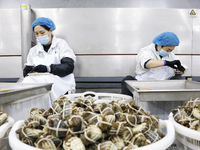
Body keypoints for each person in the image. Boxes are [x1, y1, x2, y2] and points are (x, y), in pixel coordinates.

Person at [22, 17, 76, 101]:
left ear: (50, 30)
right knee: (27, 81)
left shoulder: (61, 45)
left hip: (61, 83)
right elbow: (26, 73)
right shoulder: (33, 50)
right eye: (36, 34)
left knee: (47, 83)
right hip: (39, 85)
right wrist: (29, 70)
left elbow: (68, 67)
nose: (39, 36)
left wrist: (48, 69)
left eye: (42, 33)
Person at [121, 32, 187, 97]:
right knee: (127, 80)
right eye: (168, 50)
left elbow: (179, 67)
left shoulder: (171, 55)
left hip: (165, 86)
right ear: (160, 45)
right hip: (143, 85)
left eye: (171, 50)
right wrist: (165, 63)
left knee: (179, 79)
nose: (169, 52)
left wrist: (180, 69)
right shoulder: (146, 51)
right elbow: (147, 63)